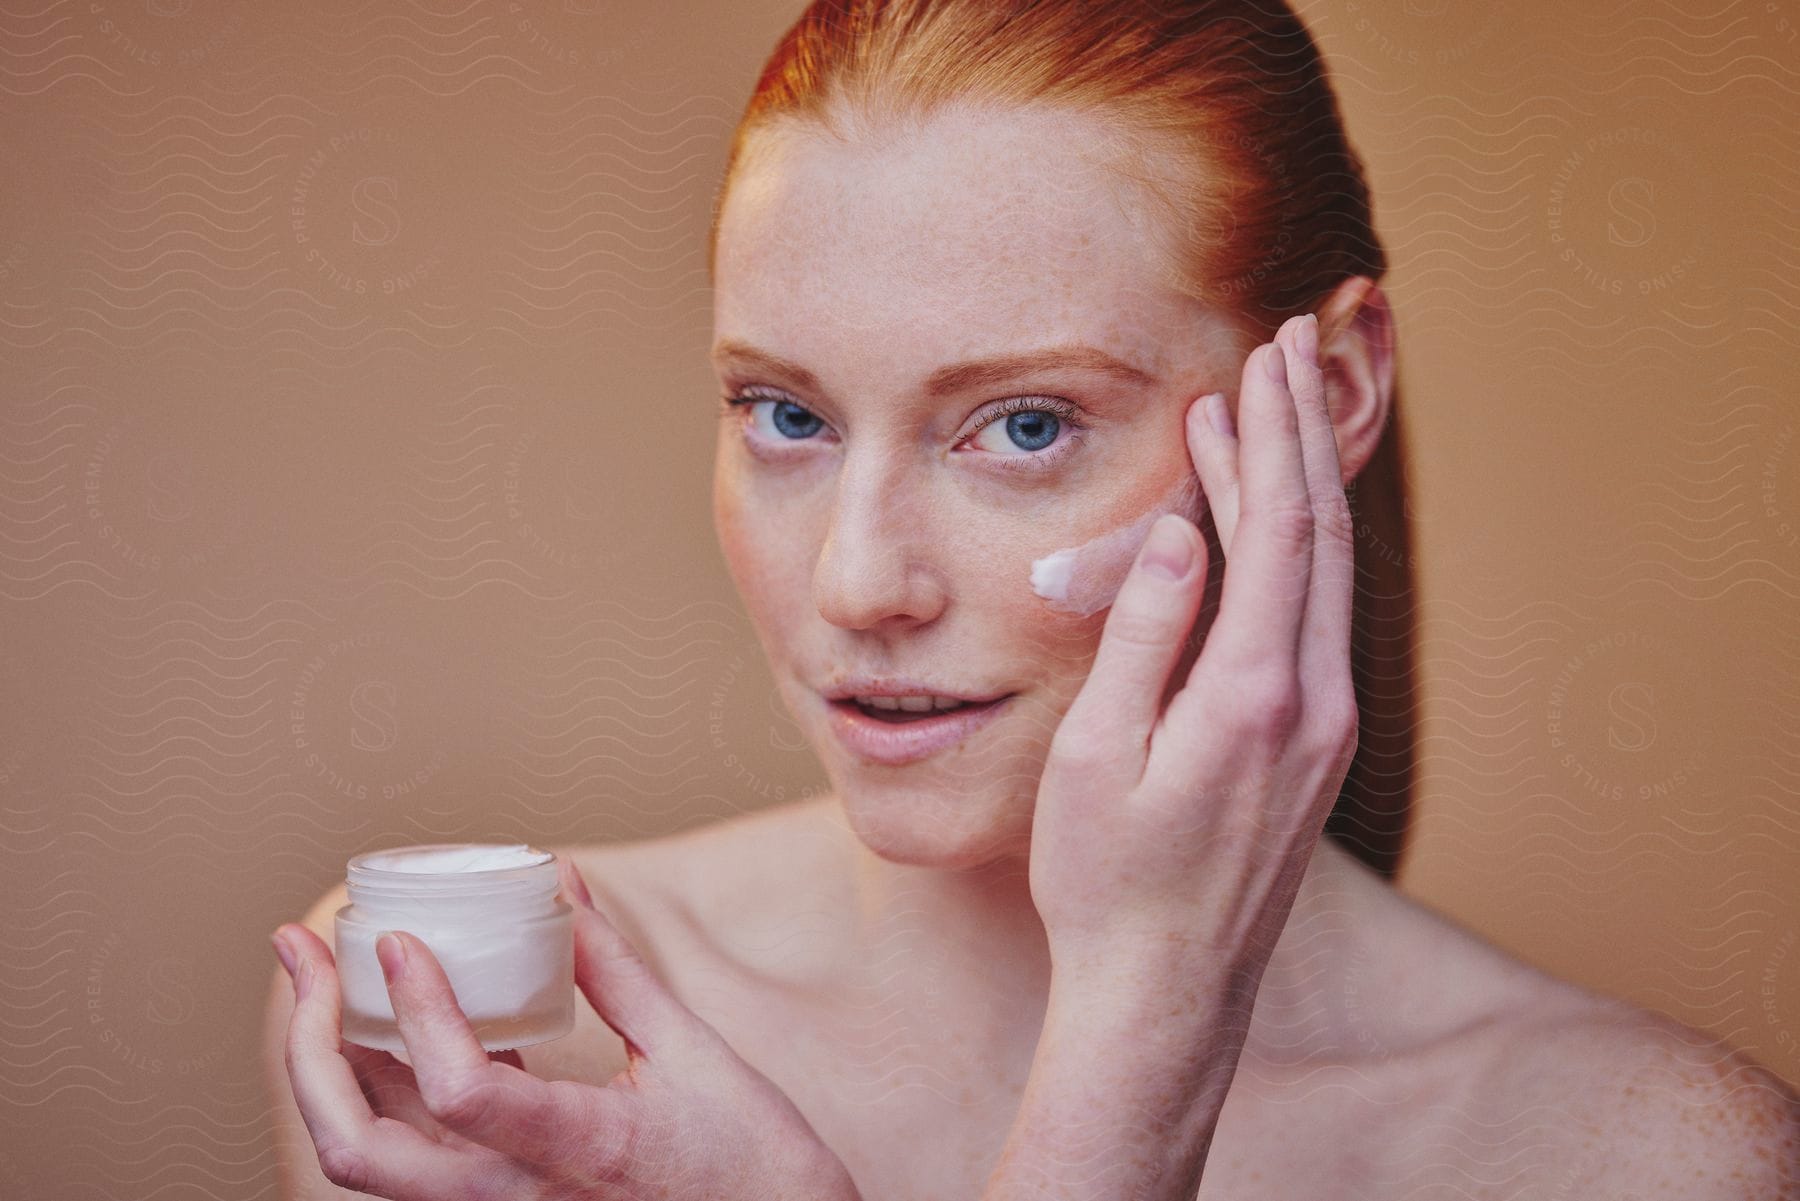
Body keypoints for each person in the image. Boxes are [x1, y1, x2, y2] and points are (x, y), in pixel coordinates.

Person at [261, 2, 1800, 1197]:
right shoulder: (487, 1031)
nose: (858, 583)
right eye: (784, 416)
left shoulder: (1640, 1156)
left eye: (1025, 426)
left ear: (1326, 392)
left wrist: (1141, 1033)